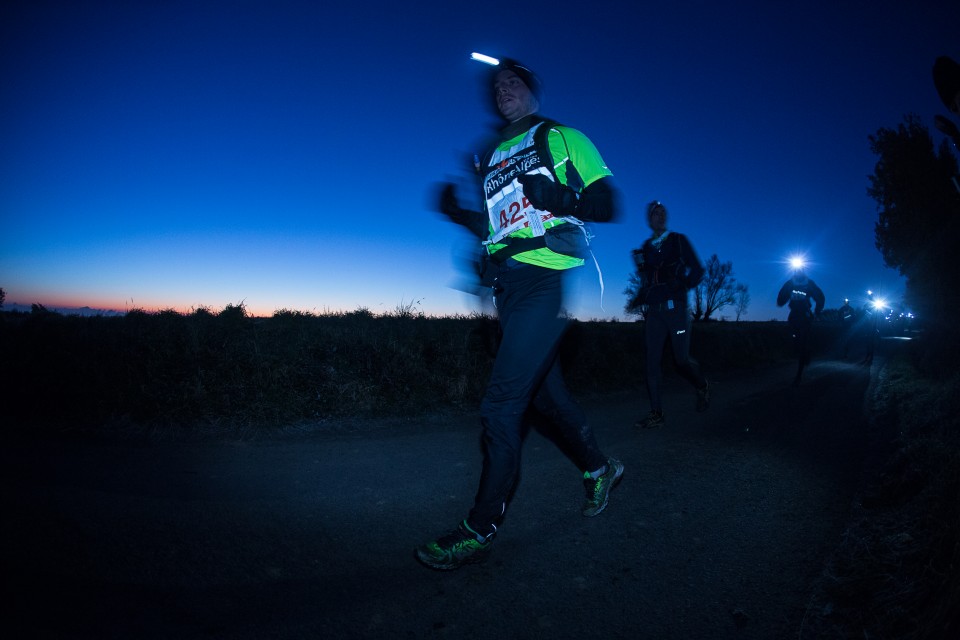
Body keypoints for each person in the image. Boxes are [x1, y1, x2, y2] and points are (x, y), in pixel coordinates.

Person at [416, 58, 623, 571]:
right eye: (497, 85)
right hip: (507, 287)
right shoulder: (489, 155)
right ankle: (600, 469)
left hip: (544, 282)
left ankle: (478, 528)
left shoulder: (562, 136)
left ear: (533, 91)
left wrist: (562, 195)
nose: (503, 89)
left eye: (514, 82)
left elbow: (607, 203)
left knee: (501, 407)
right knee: (547, 400)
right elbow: (496, 227)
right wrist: (454, 212)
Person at [630, 201, 710, 430]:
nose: (661, 216)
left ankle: (702, 385)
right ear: (649, 219)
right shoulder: (645, 247)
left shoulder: (678, 240)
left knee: (681, 360)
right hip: (654, 313)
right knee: (651, 363)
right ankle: (656, 413)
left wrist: (683, 283)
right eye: (656, 213)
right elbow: (647, 279)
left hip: (676, 309)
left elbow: (698, 270)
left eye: (664, 212)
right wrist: (641, 294)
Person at [776, 264, 825, 385]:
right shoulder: (790, 283)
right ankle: (797, 351)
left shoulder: (809, 283)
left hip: (805, 314)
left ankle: (799, 373)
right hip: (794, 314)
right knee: (793, 337)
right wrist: (781, 299)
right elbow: (781, 298)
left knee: (803, 340)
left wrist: (817, 310)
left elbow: (820, 297)